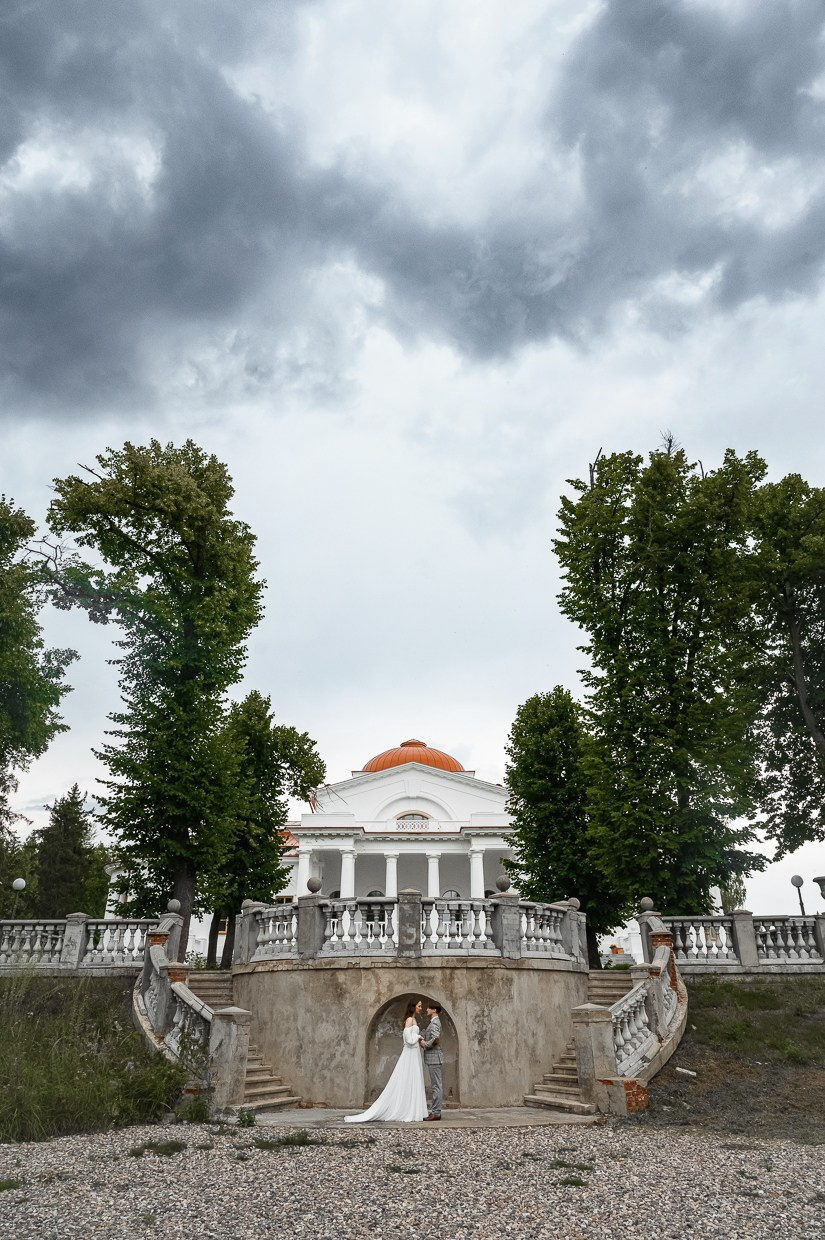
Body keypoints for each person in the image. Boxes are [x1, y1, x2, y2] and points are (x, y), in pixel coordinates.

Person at [345, 999, 428, 1123]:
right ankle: (408, 1109)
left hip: (414, 1053)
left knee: (413, 1078)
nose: (421, 1008)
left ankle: (413, 1108)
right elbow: (408, 1039)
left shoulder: (413, 1020)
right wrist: (419, 1036)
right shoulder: (410, 1020)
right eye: (419, 1006)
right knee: (409, 1078)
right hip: (410, 1053)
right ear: (413, 1006)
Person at [421, 1002, 443, 1120]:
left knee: (436, 1086)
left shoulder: (435, 1023)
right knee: (436, 1085)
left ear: (434, 1010)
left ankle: (436, 1112)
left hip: (434, 1058)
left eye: (428, 1008)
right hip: (433, 1058)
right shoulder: (434, 1022)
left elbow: (435, 1039)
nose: (427, 1010)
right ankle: (436, 1112)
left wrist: (425, 1044)